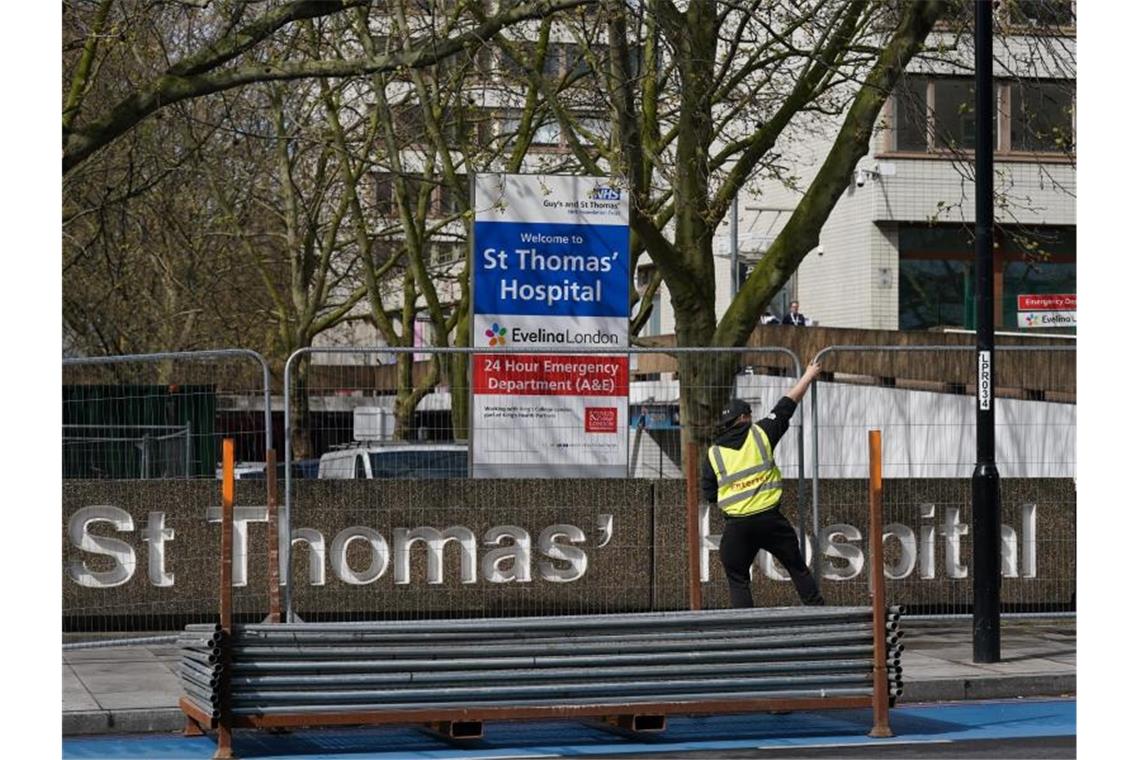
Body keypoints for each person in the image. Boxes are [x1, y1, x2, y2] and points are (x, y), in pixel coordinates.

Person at [701, 361, 825, 608]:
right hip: (771, 521)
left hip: (737, 526)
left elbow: (709, 493)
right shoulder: (761, 433)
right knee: (796, 567)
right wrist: (809, 375)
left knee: (738, 580)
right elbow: (787, 405)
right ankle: (819, 616)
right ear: (745, 417)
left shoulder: (713, 454)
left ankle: (748, 634)